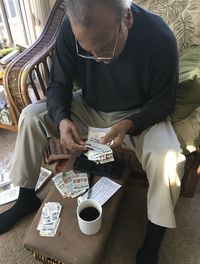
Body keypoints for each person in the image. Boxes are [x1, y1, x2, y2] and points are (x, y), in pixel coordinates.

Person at [0, 0, 186, 263]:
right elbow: (58, 84)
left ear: (127, 19)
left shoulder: (160, 38)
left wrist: (131, 123)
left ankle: (151, 244)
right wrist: (63, 119)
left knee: (168, 158)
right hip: (89, 106)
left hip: (139, 116)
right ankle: (26, 198)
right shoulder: (70, 29)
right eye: (88, 51)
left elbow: (163, 103)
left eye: (104, 49)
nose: (98, 59)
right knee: (31, 117)